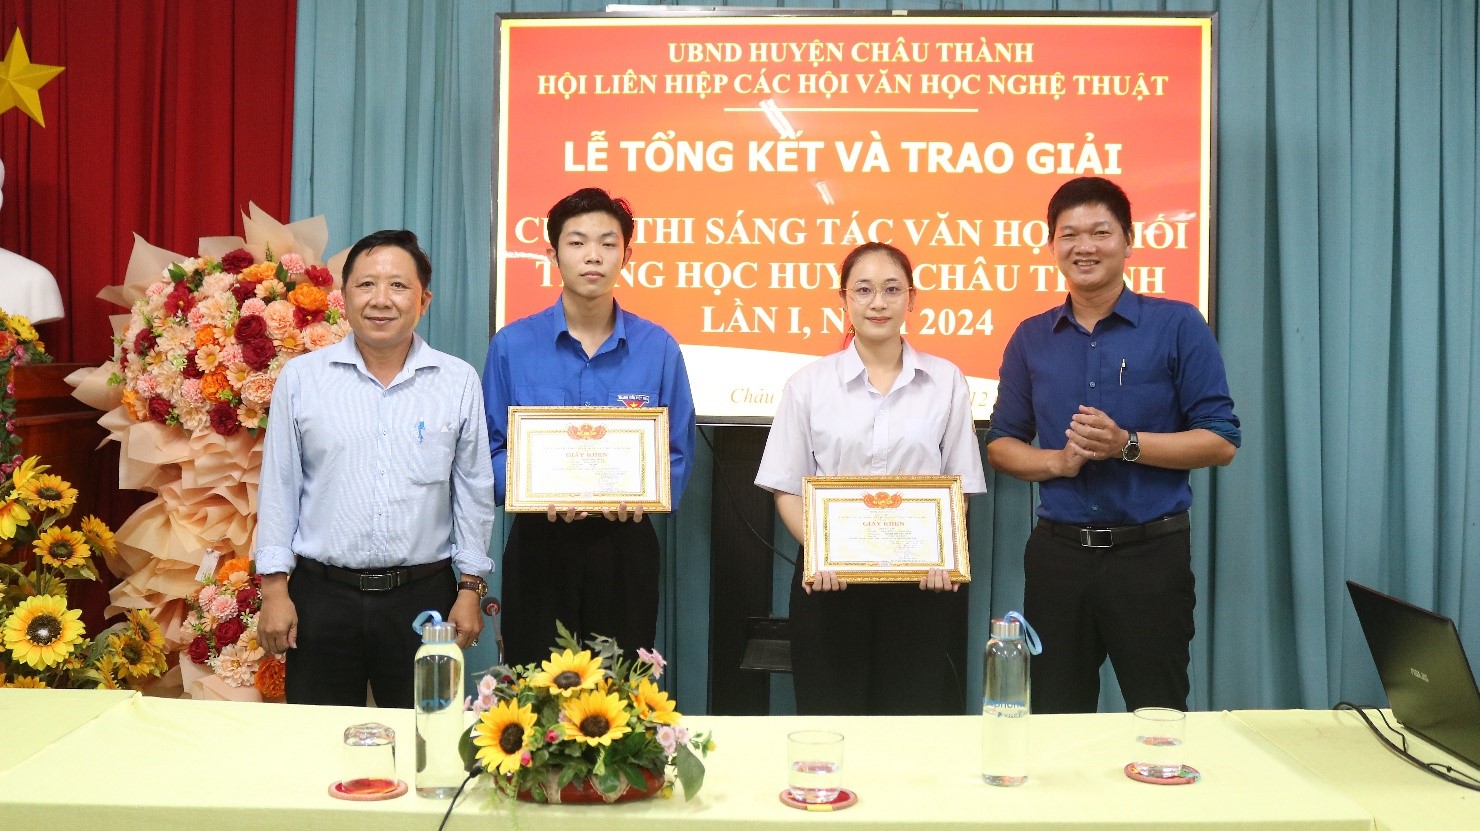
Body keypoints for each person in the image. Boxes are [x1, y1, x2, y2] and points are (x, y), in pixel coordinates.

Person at [985, 177, 1240, 714]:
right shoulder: (1031, 337)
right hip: (1058, 559)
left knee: (1158, 716)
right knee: (1055, 720)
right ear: (1052, 245)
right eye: (1069, 234)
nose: (1085, 246)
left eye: (1100, 232)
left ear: (1128, 241)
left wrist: (1127, 445)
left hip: (1150, 557)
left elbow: (1220, 441)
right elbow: (1003, 445)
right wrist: (1058, 461)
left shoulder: (1178, 324)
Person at [256, 229, 495, 707]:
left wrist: (470, 587)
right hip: (322, 596)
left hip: (423, 599)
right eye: (366, 285)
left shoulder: (457, 381)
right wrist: (274, 589)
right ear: (344, 298)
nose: (381, 300)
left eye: (398, 286)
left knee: (428, 736)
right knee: (317, 738)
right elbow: (279, 486)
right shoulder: (302, 379)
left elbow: (473, 489)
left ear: (424, 300)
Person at [755, 242, 987, 715]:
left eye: (891, 289)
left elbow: (958, 486)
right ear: (843, 299)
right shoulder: (808, 384)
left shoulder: (946, 381)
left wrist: (942, 554)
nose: (878, 302)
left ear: (911, 298)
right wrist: (822, 553)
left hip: (921, 585)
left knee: (908, 725)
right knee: (830, 723)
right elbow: (785, 487)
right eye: (863, 290)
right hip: (830, 586)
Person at [484, 187, 696, 667]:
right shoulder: (512, 345)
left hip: (625, 543)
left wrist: (646, 494)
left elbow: (677, 453)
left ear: (626, 255)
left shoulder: (658, 347)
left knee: (620, 691)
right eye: (577, 242)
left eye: (607, 243)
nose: (593, 256)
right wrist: (530, 490)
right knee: (533, 686)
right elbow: (489, 450)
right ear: (552, 255)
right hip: (539, 541)